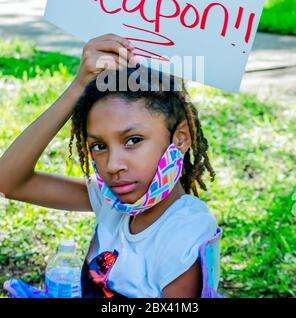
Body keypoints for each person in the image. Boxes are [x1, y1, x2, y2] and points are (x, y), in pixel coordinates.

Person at [0, 33, 222, 299]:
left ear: (181, 138)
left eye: (133, 140)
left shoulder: (185, 231)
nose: (113, 166)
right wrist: (77, 88)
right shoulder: (111, 200)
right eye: (99, 146)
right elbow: (9, 181)